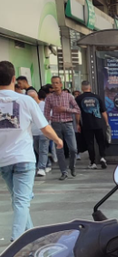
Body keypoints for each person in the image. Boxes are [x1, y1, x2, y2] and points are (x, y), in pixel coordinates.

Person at [0, 61, 64, 241]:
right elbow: (44, 127)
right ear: (14, 79)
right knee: (21, 201)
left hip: (3, 160)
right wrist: (58, 140)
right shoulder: (26, 100)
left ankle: (31, 235)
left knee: (19, 200)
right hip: (23, 158)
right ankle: (17, 239)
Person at [45, 76, 81, 180]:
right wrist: (50, 120)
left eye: (57, 83)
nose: (55, 85)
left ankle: (72, 167)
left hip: (68, 124)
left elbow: (77, 110)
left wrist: (65, 109)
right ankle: (63, 171)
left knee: (73, 148)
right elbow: (46, 113)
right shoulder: (49, 98)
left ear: (61, 84)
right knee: (59, 149)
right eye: (53, 83)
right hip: (56, 125)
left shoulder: (69, 96)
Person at [75, 81, 109, 170]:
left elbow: (77, 113)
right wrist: (106, 123)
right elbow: (103, 111)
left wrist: (77, 123)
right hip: (99, 123)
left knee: (90, 143)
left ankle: (93, 162)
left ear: (82, 88)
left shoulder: (79, 98)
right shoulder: (97, 97)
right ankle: (102, 157)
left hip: (87, 124)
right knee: (101, 141)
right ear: (90, 88)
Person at [27, 89, 49, 177]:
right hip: (33, 132)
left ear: (37, 96)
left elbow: (49, 116)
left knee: (43, 150)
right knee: (37, 149)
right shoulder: (28, 106)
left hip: (44, 131)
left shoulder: (44, 105)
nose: (32, 99)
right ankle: (47, 162)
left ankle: (41, 168)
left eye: (33, 97)